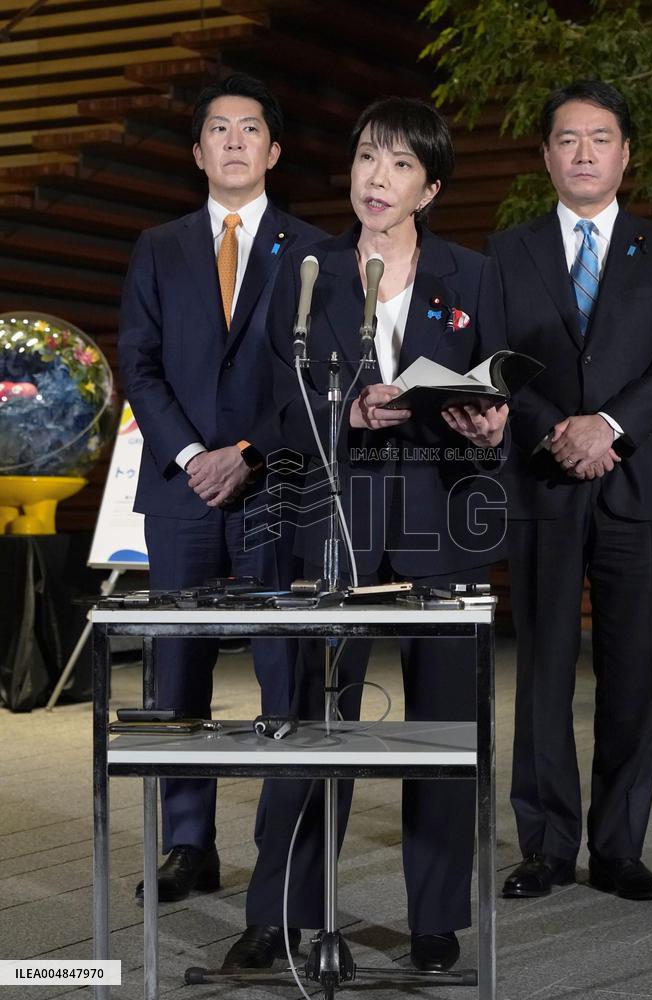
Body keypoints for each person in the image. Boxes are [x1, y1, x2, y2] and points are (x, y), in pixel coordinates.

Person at [220, 97, 509, 973]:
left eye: (398, 166)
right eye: (365, 160)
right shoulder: (307, 269)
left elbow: (498, 386)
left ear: (429, 188)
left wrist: (490, 425)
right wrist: (342, 409)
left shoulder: (471, 274)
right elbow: (275, 399)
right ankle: (279, 911)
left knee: (443, 731)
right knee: (307, 725)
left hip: (437, 522)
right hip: (330, 521)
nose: (375, 179)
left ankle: (433, 918)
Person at [486, 80, 652, 901]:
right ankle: (545, 846)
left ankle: (618, 847)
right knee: (541, 664)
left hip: (635, 481)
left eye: (599, 138)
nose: (583, 152)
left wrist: (605, 426)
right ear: (545, 154)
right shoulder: (507, 252)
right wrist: (556, 430)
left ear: (624, 153)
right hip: (543, 479)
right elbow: (498, 362)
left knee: (629, 669)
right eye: (567, 139)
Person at [118, 73, 324, 903]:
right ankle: (187, 844)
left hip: (274, 484)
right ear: (198, 150)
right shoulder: (158, 247)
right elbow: (138, 361)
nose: (234, 141)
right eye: (218, 129)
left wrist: (243, 450)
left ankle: (281, 848)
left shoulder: (315, 250)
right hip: (181, 491)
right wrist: (194, 451)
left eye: (250, 129)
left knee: (285, 667)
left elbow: (311, 374)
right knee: (179, 673)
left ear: (273, 150)